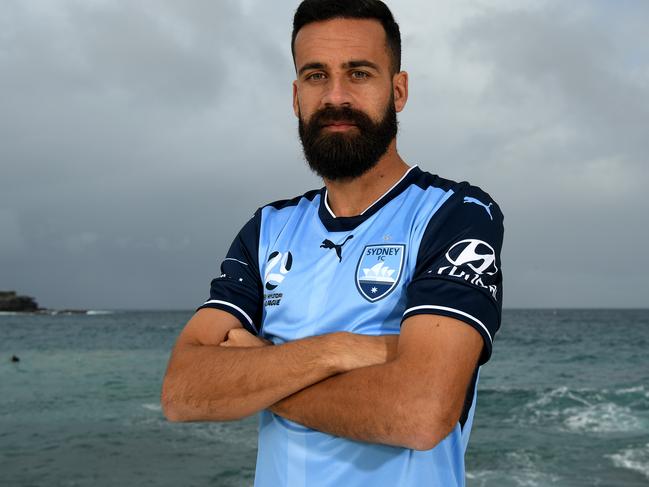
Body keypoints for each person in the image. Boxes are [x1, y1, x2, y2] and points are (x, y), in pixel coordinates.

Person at [161, 1, 504, 485]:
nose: (335, 96)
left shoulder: (454, 215)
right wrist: (336, 351)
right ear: (296, 94)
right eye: (316, 75)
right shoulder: (267, 230)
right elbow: (182, 392)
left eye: (359, 73)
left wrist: (258, 371)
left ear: (398, 90)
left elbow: (419, 412)